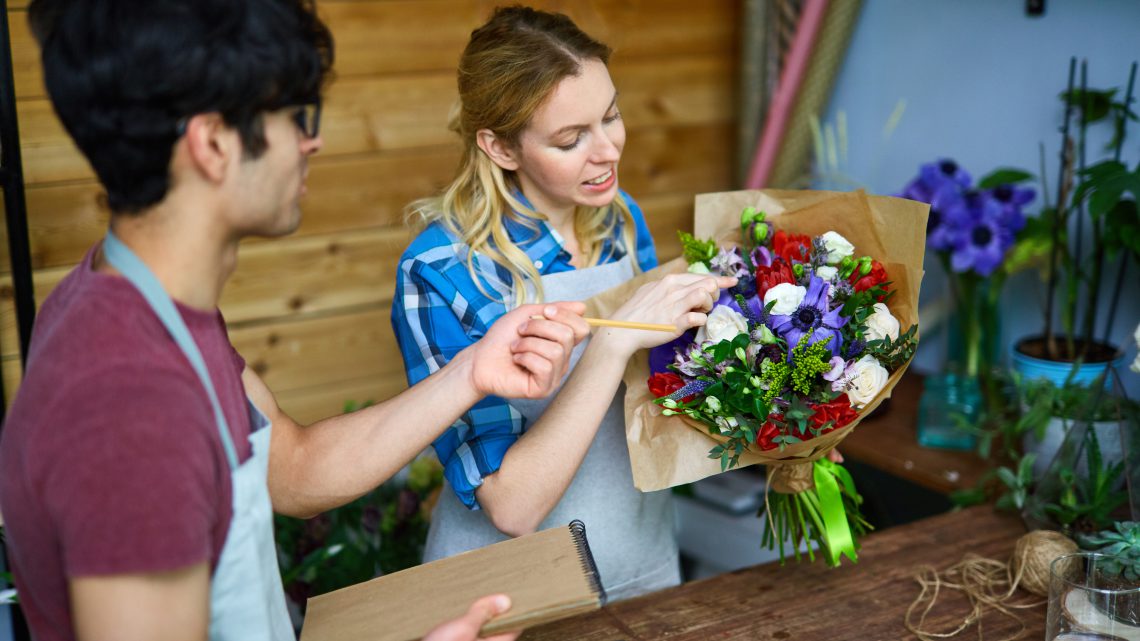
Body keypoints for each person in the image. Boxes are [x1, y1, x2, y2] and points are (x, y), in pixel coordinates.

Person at [0, 1, 590, 640]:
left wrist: (473, 373)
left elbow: (292, 467)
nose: (315, 141)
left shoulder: (144, 309)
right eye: (297, 116)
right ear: (214, 142)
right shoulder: (129, 401)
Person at [392, 6, 735, 602]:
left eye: (611, 116)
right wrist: (613, 343)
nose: (607, 152)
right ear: (500, 147)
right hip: (507, 595)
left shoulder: (619, 218)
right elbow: (511, 505)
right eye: (571, 139)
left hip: (641, 558)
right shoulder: (440, 272)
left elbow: (653, 397)